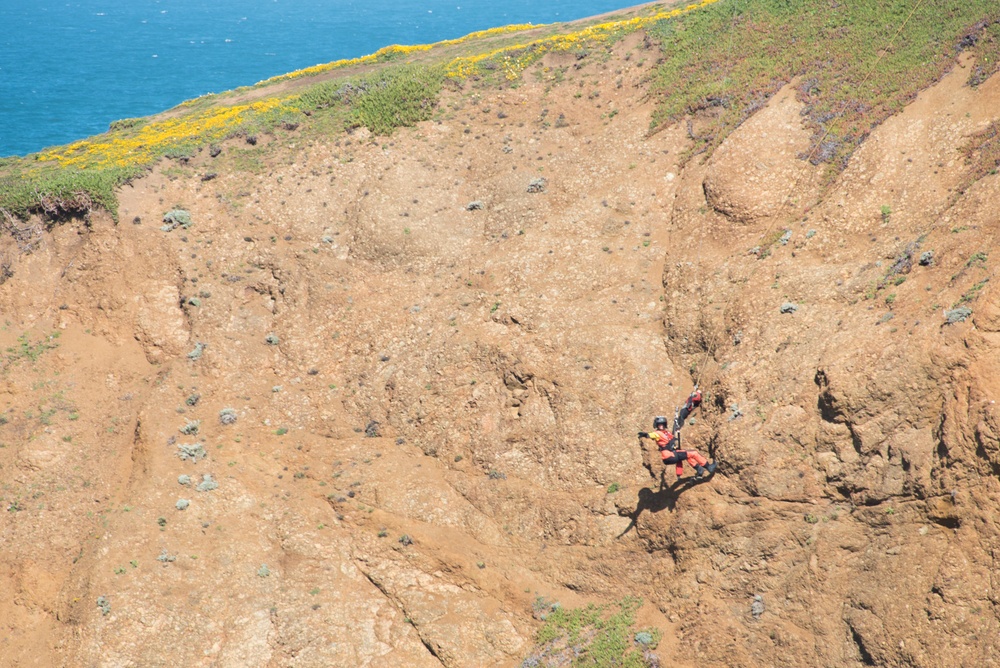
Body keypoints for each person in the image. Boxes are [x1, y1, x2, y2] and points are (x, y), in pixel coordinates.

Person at [638, 415, 716, 480]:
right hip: (669, 456)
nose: (661, 426)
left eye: (662, 424)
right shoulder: (657, 433)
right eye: (659, 425)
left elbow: (672, 437)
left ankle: (699, 469)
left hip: (672, 455)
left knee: (687, 455)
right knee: (694, 453)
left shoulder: (667, 433)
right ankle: (709, 467)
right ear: (656, 425)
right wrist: (645, 434)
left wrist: (677, 428)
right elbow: (651, 435)